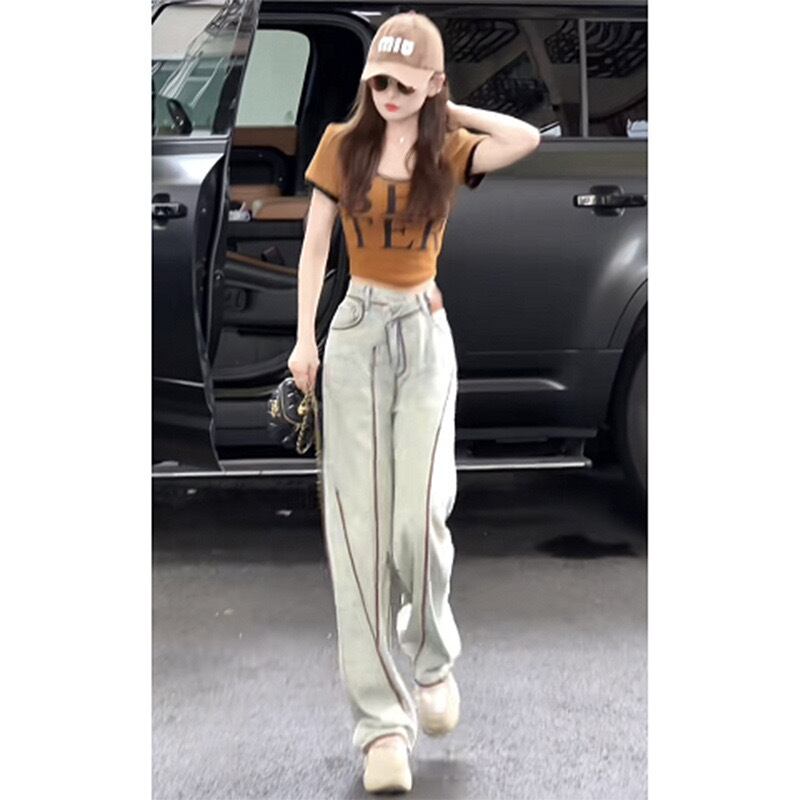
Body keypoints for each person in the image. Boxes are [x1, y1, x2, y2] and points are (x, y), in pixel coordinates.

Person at [288, 10, 540, 794]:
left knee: (419, 515)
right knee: (357, 535)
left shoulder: (447, 147)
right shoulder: (342, 144)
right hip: (356, 332)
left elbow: (523, 138)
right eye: (379, 81)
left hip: (425, 334)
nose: (389, 95)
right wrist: (304, 340)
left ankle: (432, 660)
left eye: (404, 82)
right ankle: (381, 730)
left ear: (429, 82)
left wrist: (446, 105)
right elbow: (316, 247)